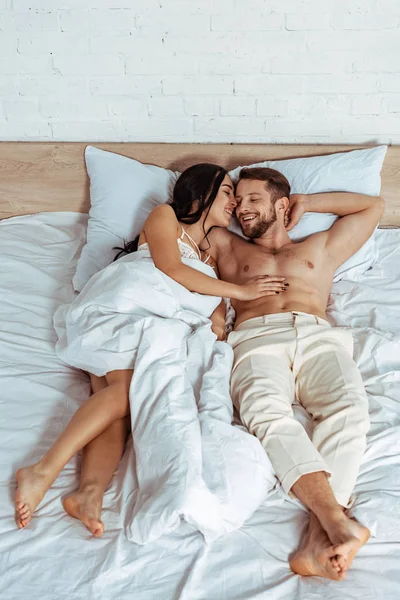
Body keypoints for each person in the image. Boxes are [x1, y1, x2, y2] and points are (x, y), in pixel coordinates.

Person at [14, 163, 286, 533]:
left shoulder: (211, 259)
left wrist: (218, 328)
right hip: (122, 309)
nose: (234, 204)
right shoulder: (166, 218)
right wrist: (242, 291)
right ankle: (41, 470)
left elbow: (215, 317)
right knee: (127, 393)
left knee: (121, 409)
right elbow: (170, 268)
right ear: (201, 193)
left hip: (155, 328)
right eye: (227, 192)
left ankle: (88, 494)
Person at [206, 167, 384, 581]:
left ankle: (317, 538)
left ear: (281, 205)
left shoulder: (320, 246)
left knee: (350, 410)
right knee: (266, 414)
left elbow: (373, 207)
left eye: (254, 199)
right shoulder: (225, 245)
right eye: (238, 200)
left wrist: (311, 202)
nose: (242, 209)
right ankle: (335, 523)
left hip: (318, 336)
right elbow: (186, 223)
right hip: (254, 340)